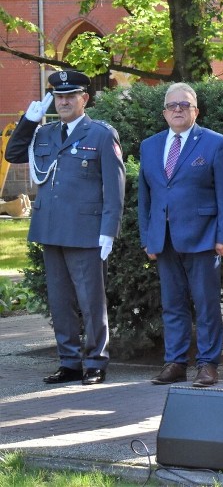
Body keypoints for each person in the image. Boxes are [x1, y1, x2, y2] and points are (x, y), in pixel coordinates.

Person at [4, 70, 126, 386]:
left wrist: (109, 229)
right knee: (60, 302)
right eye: (59, 97)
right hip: (51, 228)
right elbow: (13, 154)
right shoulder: (44, 134)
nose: (64, 102)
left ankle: (96, 362)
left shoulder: (100, 133)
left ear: (84, 98)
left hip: (86, 231)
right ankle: (69, 362)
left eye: (70, 96)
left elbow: (114, 187)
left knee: (91, 301)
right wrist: (28, 123)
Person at [138, 83, 223, 387]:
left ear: (196, 110)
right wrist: (147, 237)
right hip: (164, 237)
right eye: (172, 106)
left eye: (184, 105)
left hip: (204, 237)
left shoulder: (214, 143)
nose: (178, 109)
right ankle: (176, 362)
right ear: (164, 112)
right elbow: (145, 196)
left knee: (206, 303)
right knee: (173, 304)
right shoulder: (150, 145)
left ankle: (208, 364)